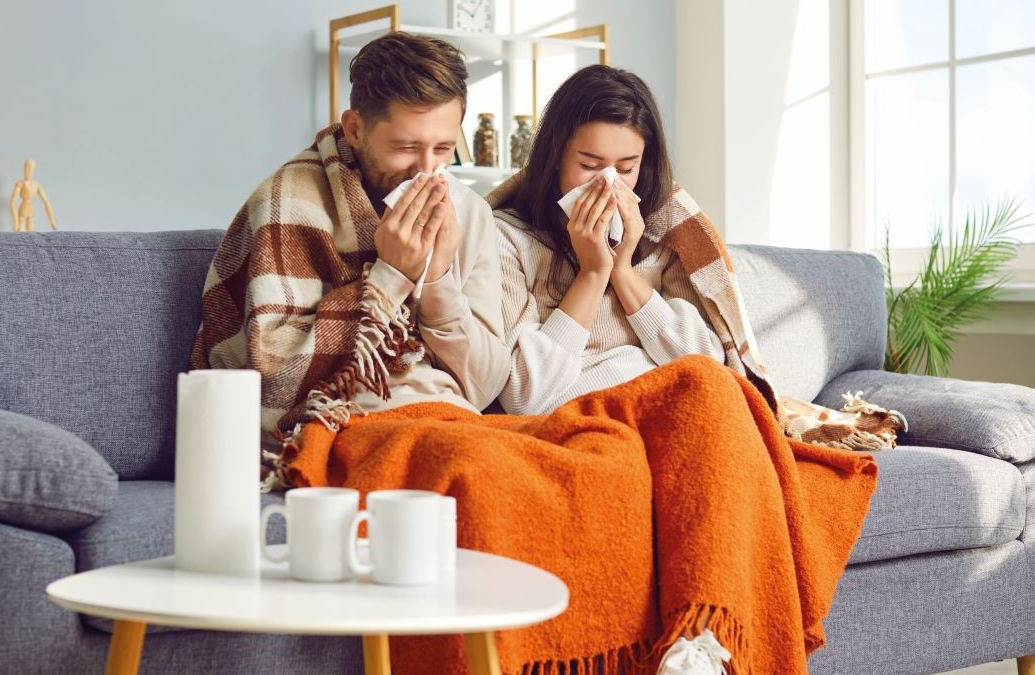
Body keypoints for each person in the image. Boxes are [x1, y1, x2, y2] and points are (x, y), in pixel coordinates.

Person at [482, 64, 898, 673]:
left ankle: (703, 639)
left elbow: (713, 366)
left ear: (644, 169)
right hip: (586, 425)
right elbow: (528, 396)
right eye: (588, 165)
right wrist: (591, 274)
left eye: (625, 170)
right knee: (696, 392)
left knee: (708, 387)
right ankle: (705, 638)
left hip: (682, 417)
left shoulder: (667, 245)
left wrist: (623, 271)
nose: (608, 186)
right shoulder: (505, 241)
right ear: (552, 160)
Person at [190, 33, 508, 490]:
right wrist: (390, 277)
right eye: (404, 147)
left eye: (443, 150)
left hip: (451, 420)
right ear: (355, 128)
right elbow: (268, 382)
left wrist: (437, 279)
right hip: (338, 426)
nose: (426, 171)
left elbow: (484, 386)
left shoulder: (469, 213)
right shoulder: (287, 203)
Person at [10, 158, 58, 232]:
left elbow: (47, 203)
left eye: (31, 168)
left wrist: (52, 220)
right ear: (24, 168)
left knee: (31, 231)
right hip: (23, 210)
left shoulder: (36, 185)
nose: (28, 170)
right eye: (27, 167)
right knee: (21, 229)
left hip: (31, 210)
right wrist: (16, 222)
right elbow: (12, 203)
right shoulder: (20, 184)